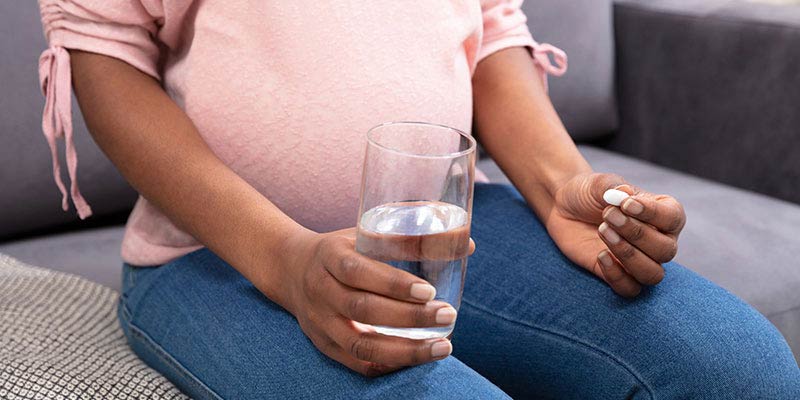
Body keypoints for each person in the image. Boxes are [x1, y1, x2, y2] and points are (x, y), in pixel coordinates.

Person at [37, 0, 799, 398]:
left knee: (740, 371)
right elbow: (103, 51)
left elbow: (490, 29)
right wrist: (284, 259)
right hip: (217, 260)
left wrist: (560, 184)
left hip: (448, 228)